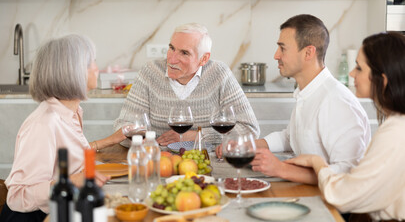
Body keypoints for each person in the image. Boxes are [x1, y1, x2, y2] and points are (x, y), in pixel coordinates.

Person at [217, 14, 371, 184]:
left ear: (308, 52)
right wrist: (249, 146)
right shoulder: (307, 92)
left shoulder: (337, 102)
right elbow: (290, 138)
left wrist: (282, 169)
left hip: (333, 204)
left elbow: (347, 173)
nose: (276, 55)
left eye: (283, 48)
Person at [0, 34, 125, 222]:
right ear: (72, 71)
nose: (97, 69)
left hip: (63, 207)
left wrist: (110, 141)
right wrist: (71, 182)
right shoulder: (44, 123)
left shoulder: (71, 112)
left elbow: (67, 157)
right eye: (91, 62)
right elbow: (17, 195)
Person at [285, 32, 405, 221]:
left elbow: (343, 196)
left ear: (382, 80)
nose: (351, 73)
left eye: (359, 68)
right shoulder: (396, 124)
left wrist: (317, 163)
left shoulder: (396, 133)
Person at [114, 23, 260, 147]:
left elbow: (249, 129)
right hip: (160, 159)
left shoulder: (219, 73)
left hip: (208, 160)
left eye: (184, 53)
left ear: (204, 59)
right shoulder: (150, 72)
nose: (172, 59)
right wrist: (144, 141)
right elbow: (122, 126)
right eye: (172, 48)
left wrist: (197, 136)